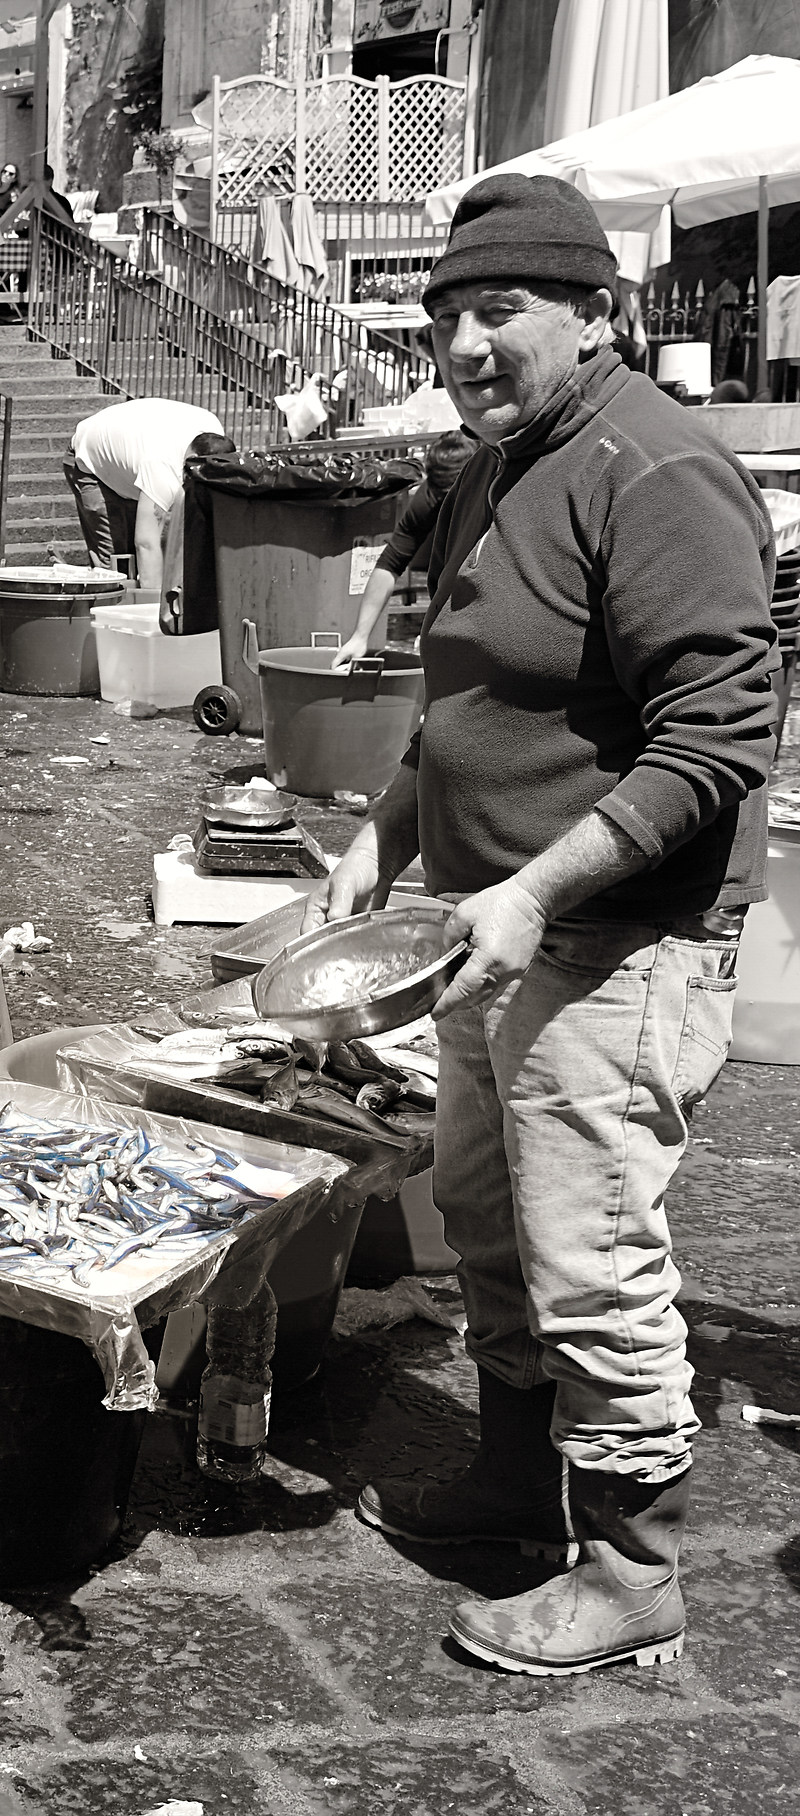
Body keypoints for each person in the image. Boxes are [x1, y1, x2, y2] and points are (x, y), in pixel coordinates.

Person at [318, 174, 779, 1677]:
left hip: (616, 937)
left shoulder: (656, 468)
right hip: (482, 918)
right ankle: (519, 1481)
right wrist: (386, 833)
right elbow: (466, 694)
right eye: (446, 312)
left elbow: (719, 740)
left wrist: (532, 891)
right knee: (485, 1218)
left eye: (499, 308)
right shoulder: (488, 467)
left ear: (599, 313)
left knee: (592, 1249)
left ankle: (634, 1566)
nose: (463, 341)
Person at [329, 428, 474, 669]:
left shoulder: (499, 493)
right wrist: (360, 636)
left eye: (456, 495)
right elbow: (390, 563)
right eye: (444, 495)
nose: (449, 502)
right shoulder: (431, 497)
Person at [63, 397, 233, 591]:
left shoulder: (213, 431)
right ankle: (111, 611)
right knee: (115, 564)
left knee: (139, 558)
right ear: (191, 460)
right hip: (91, 462)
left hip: (132, 450)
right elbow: (146, 543)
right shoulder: (163, 469)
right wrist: (153, 608)